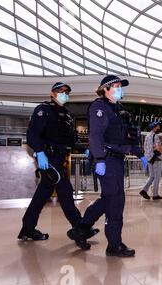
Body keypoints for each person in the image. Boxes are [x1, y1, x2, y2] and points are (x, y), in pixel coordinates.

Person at [74, 75, 148, 257]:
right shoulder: (99, 107)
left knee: (109, 198)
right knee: (115, 201)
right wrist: (99, 158)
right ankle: (114, 245)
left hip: (116, 160)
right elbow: (96, 135)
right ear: (105, 89)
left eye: (120, 86)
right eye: (116, 86)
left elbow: (129, 137)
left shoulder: (120, 110)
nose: (120, 89)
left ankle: (82, 228)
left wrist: (140, 154)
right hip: (106, 159)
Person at [18, 82, 98, 247]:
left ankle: (27, 228)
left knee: (42, 196)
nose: (64, 94)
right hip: (48, 159)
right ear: (52, 93)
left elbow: (71, 139)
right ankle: (79, 228)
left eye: (66, 92)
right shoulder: (44, 110)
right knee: (66, 193)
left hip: (60, 159)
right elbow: (32, 133)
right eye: (60, 91)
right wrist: (40, 152)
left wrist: (85, 149)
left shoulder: (67, 115)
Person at [140, 121, 162, 200]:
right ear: (154, 127)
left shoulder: (147, 136)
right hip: (156, 159)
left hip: (149, 159)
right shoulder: (156, 136)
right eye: (158, 126)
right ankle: (155, 194)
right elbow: (158, 148)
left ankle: (144, 190)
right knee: (157, 177)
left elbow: (144, 147)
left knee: (152, 176)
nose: (159, 128)